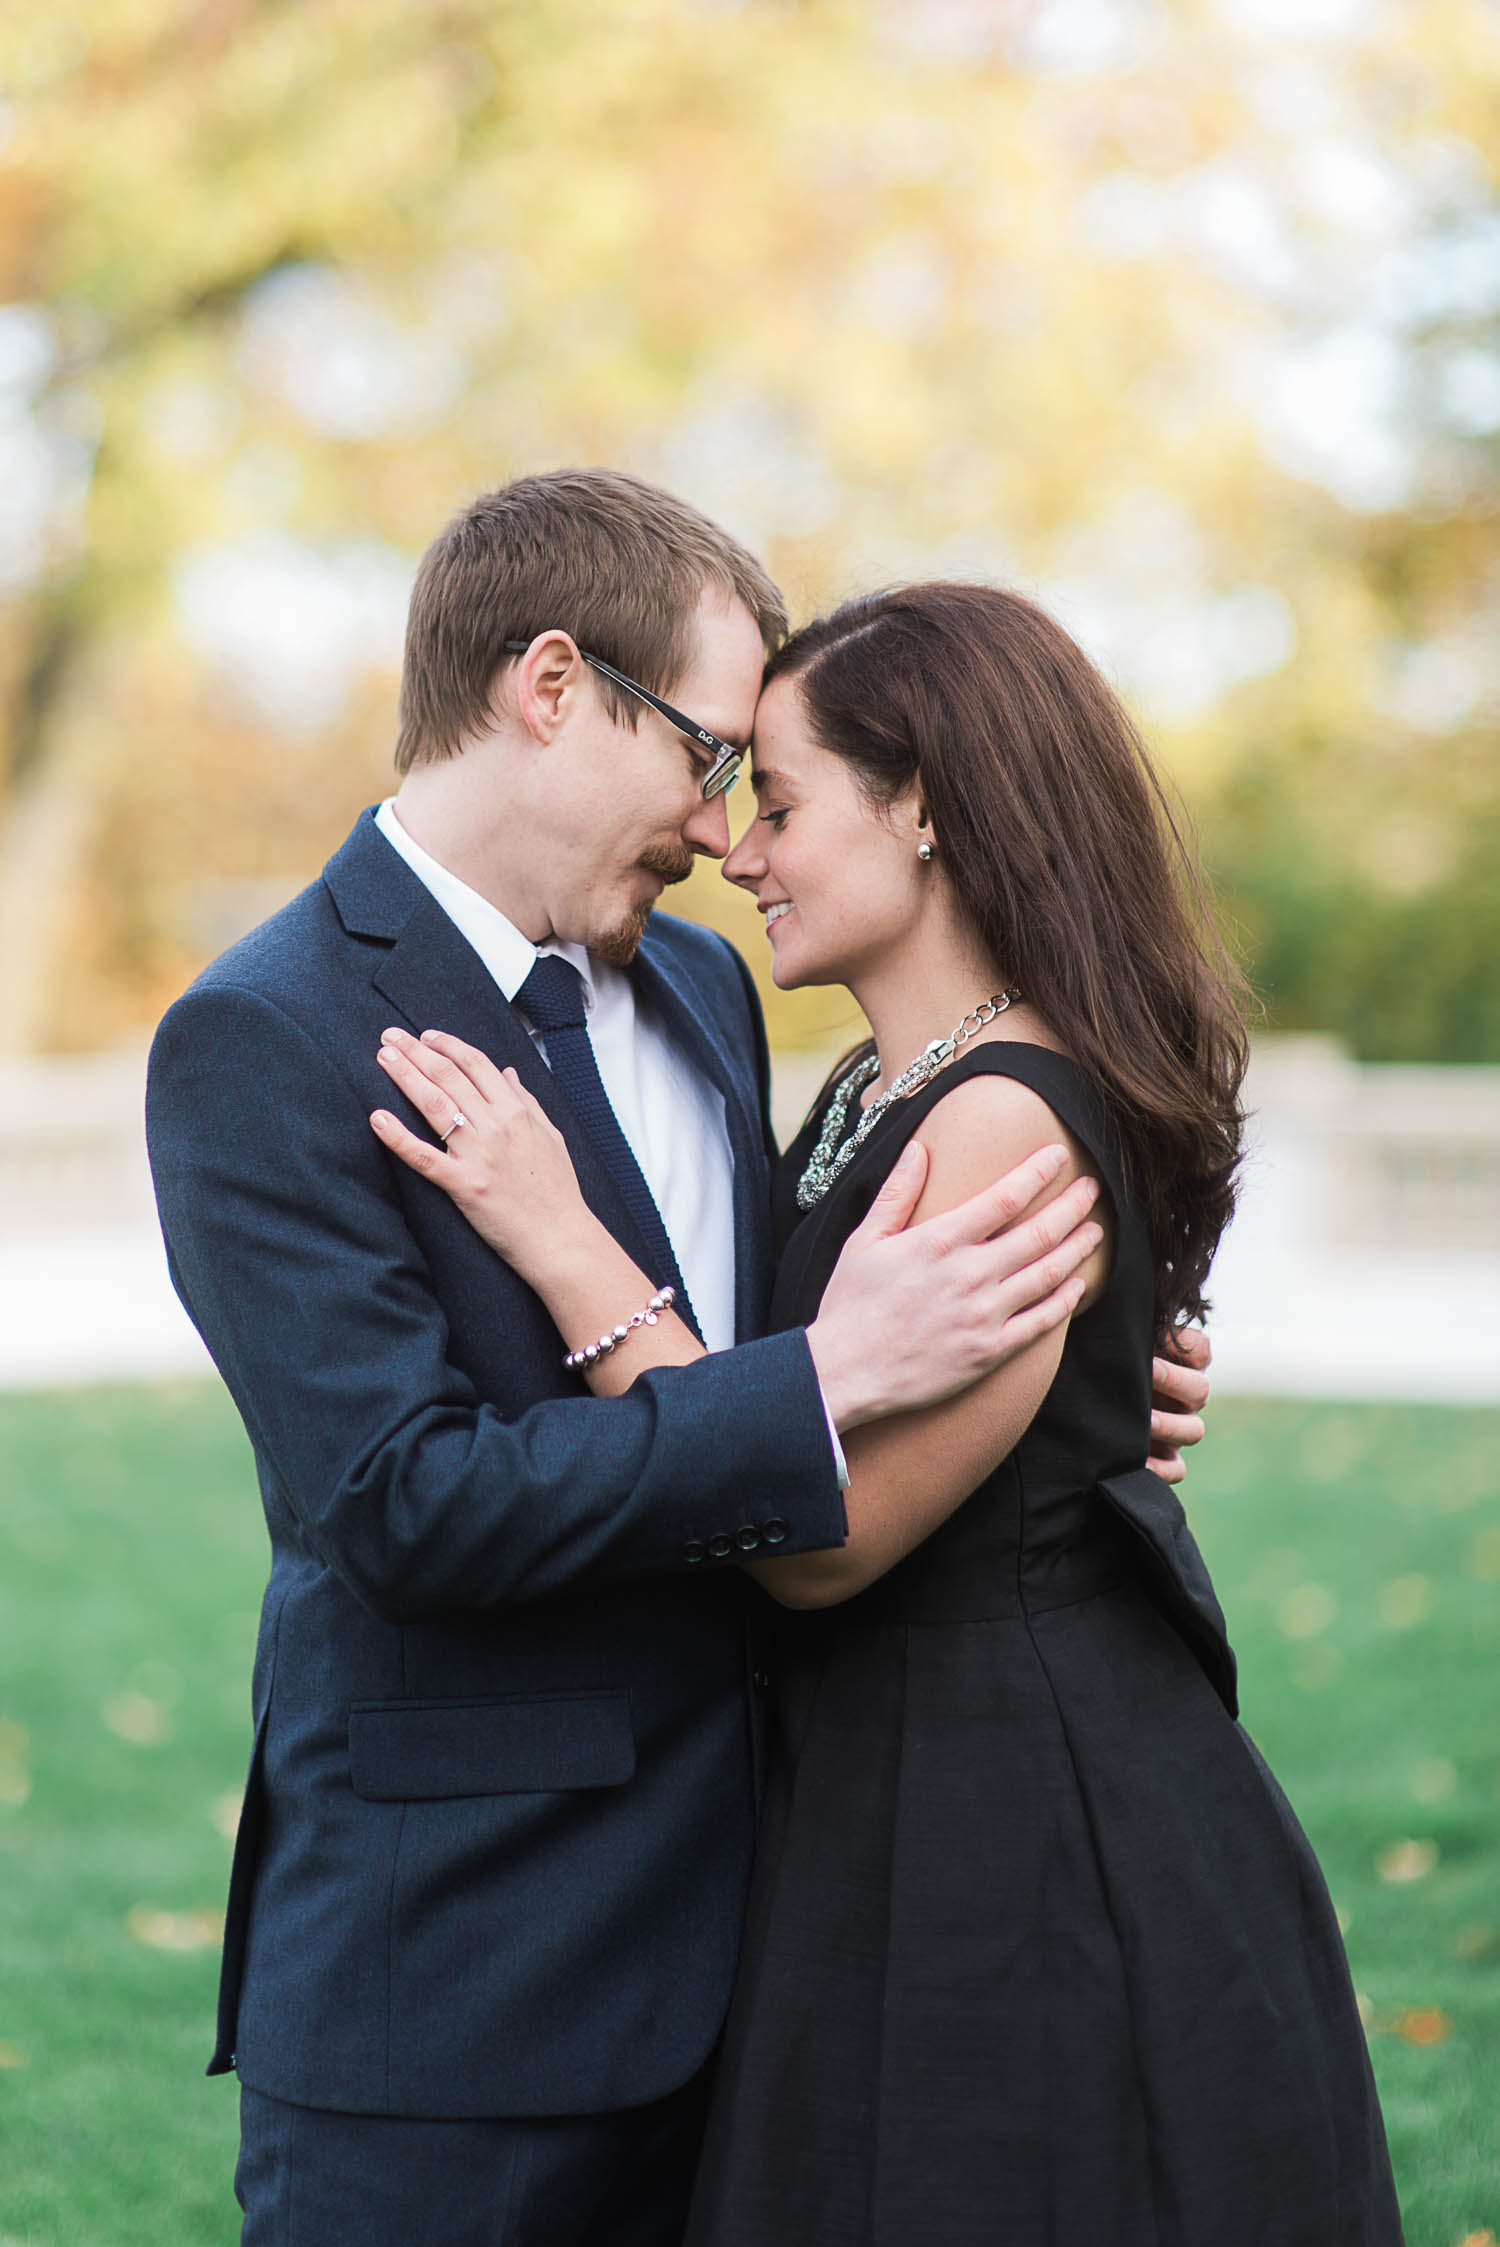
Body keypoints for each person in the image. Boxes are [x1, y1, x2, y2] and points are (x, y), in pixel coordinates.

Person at [146, 474, 1208, 2247]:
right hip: (463, 1985)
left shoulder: (709, 995)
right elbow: (401, 1508)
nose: (724, 835)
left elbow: (844, 1316)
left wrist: (1076, 1388)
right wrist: (817, 1391)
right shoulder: (262, 1035)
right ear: (550, 688)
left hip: (798, 1945)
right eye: (711, 758)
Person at [381, 578, 1401, 2246]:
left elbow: (819, 1548)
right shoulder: (880, 1082)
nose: (736, 847)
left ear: (921, 801)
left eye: (778, 803)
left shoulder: (1002, 1120)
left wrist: (565, 1246)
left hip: (1011, 1816)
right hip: (880, 1779)